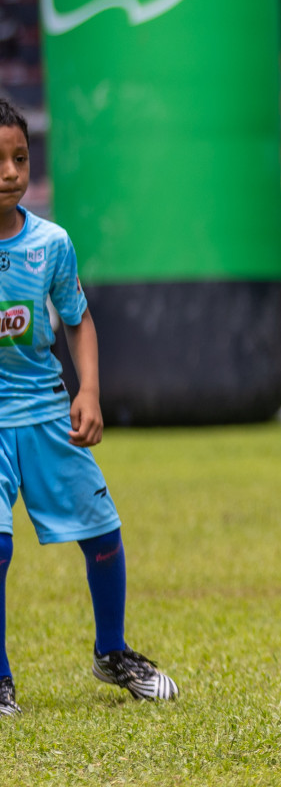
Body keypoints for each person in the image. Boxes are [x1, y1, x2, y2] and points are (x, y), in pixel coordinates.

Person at [0, 98, 178, 716]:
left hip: (46, 412)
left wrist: (89, 390)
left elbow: (78, 320)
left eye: (19, 157)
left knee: (102, 531)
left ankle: (113, 653)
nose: (10, 172)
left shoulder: (51, 243)